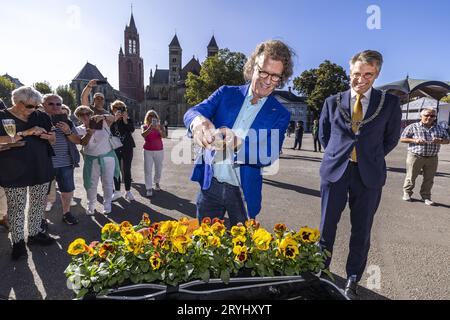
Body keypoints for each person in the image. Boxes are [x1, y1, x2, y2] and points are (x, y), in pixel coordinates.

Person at [318, 50, 401, 299]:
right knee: (326, 228)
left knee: (361, 230)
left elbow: (391, 139)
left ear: (377, 74)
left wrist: (368, 156)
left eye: (368, 74)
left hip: (369, 175)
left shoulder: (389, 103)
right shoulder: (332, 101)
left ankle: (353, 279)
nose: (361, 79)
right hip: (335, 173)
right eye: (356, 73)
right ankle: (321, 273)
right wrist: (340, 155)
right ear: (349, 72)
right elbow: (324, 136)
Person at [184, 40, 292, 226]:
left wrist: (237, 143)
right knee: (204, 248)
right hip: (211, 185)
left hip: (243, 193)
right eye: (263, 72)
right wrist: (198, 122)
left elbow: (269, 155)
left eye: (275, 77)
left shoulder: (281, 114)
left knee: (241, 251)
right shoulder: (226, 92)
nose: (267, 81)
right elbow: (192, 112)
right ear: (252, 67)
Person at [0, 86, 57, 259]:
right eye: (30, 106)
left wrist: (49, 137)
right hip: (13, 170)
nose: (33, 110)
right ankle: (18, 243)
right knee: (17, 208)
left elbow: (53, 140)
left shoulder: (42, 116)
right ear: (17, 103)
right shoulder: (2, 116)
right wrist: (25, 132)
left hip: (41, 167)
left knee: (38, 204)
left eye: (36, 106)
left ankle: (34, 234)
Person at [42, 94, 82, 225]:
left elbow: (78, 141)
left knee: (67, 189)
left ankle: (66, 213)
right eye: (51, 104)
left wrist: (67, 131)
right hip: (46, 163)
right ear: (43, 105)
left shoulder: (68, 122)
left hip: (65, 162)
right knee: (43, 193)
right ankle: (40, 219)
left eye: (58, 104)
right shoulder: (38, 121)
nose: (55, 107)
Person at [74, 105, 120, 215]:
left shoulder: (103, 123)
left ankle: (107, 203)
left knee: (108, 182)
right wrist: (89, 132)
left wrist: (103, 116)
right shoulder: (79, 129)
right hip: (91, 160)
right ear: (78, 117)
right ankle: (91, 205)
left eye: (87, 113)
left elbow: (114, 118)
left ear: (91, 114)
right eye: (82, 114)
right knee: (91, 183)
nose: (85, 116)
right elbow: (80, 142)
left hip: (108, 157)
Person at [400, 108, 450, 205]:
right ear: (421, 116)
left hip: (432, 157)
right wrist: (415, 140)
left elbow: (448, 140)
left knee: (429, 178)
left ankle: (426, 197)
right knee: (411, 176)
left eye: (432, 116)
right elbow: (402, 139)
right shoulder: (413, 127)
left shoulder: (439, 128)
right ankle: (407, 193)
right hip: (415, 156)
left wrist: (440, 141)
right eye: (427, 115)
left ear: (435, 117)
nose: (429, 117)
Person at [110, 100, 136, 202]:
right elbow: (109, 131)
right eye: (117, 108)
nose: (119, 111)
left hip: (127, 146)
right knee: (116, 169)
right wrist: (115, 120)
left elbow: (131, 129)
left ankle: (128, 191)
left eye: (121, 108)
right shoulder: (111, 120)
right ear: (113, 110)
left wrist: (125, 120)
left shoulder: (128, 119)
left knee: (127, 169)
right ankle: (117, 191)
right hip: (115, 147)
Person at [142, 110, 166, 197]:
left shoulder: (160, 126)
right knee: (147, 170)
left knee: (158, 168)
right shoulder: (144, 126)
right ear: (147, 117)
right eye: (149, 116)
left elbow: (164, 136)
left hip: (159, 150)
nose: (151, 117)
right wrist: (150, 128)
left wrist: (159, 129)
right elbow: (143, 135)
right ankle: (148, 188)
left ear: (156, 117)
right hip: (147, 150)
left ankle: (157, 182)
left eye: (153, 116)